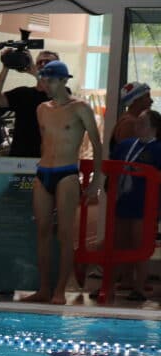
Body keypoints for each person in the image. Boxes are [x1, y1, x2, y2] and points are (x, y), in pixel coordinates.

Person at [24, 61, 102, 305]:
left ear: (63, 81)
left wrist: (95, 182)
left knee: (65, 234)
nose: (46, 84)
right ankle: (44, 288)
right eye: (44, 79)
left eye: (50, 80)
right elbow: (44, 143)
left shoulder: (81, 108)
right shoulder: (41, 109)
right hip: (43, 172)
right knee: (42, 232)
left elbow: (98, 146)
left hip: (68, 173)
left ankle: (60, 290)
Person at [111, 109, 161, 300]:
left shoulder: (158, 149)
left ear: (154, 128)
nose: (136, 126)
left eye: (142, 123)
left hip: (145, 206)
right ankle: (111, 284)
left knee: (141, 246)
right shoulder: (125, 145)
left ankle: (139, 287)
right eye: (137, 122)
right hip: (123, 203)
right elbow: (111, 168)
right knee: (118, 245)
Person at [0, 49, 60, 157]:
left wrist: (35, 71)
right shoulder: (23, 93)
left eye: (47, 62)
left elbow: (51, 93)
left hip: (49, 158)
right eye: (39, 62)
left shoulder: (63, 93)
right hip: (20, 156)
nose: (42, 65)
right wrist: (6, 67)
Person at [111, 82, 153, 147]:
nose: (151, 101)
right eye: (147, 96)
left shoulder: (132, 120)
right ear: (136, 100)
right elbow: (129, 154)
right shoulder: (129, 124)